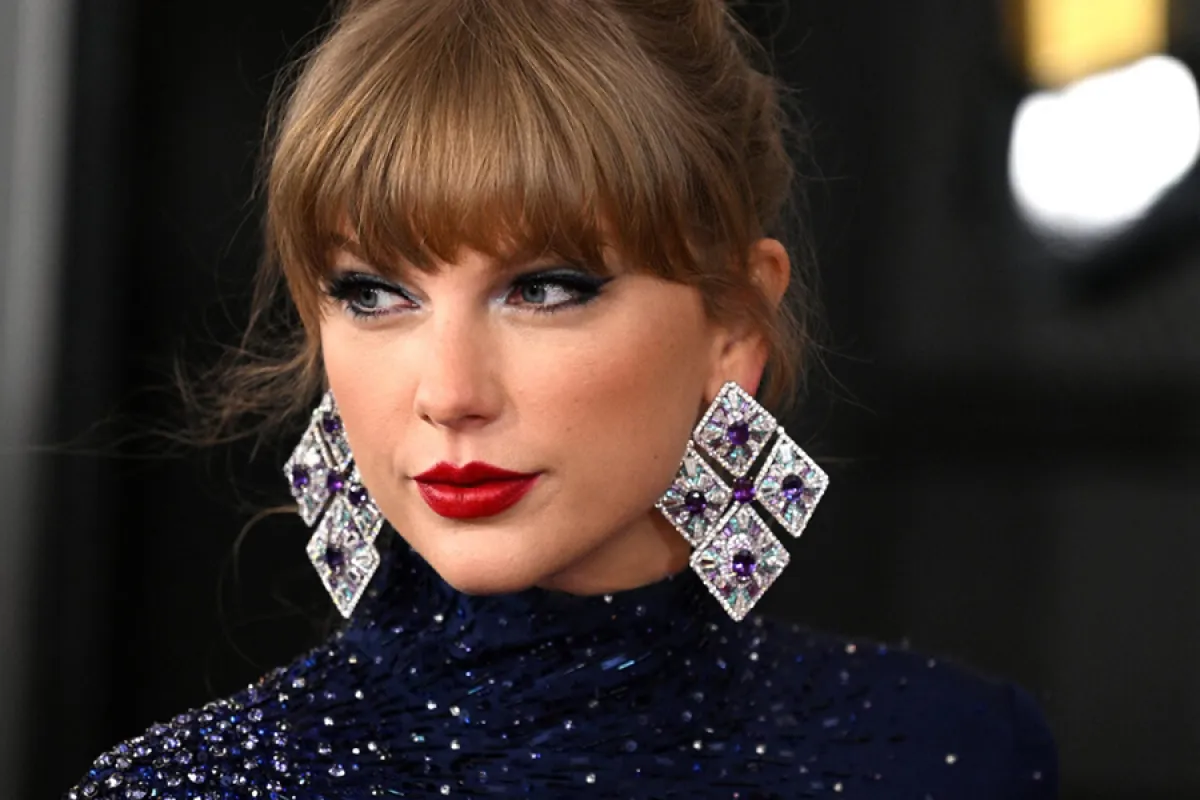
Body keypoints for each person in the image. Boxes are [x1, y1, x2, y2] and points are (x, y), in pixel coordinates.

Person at [66, 0, 1058, 797]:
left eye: (543, 288)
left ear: (734, 326)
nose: (449, 393)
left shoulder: (956, 753)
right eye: (374, 294)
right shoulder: (184, 788)